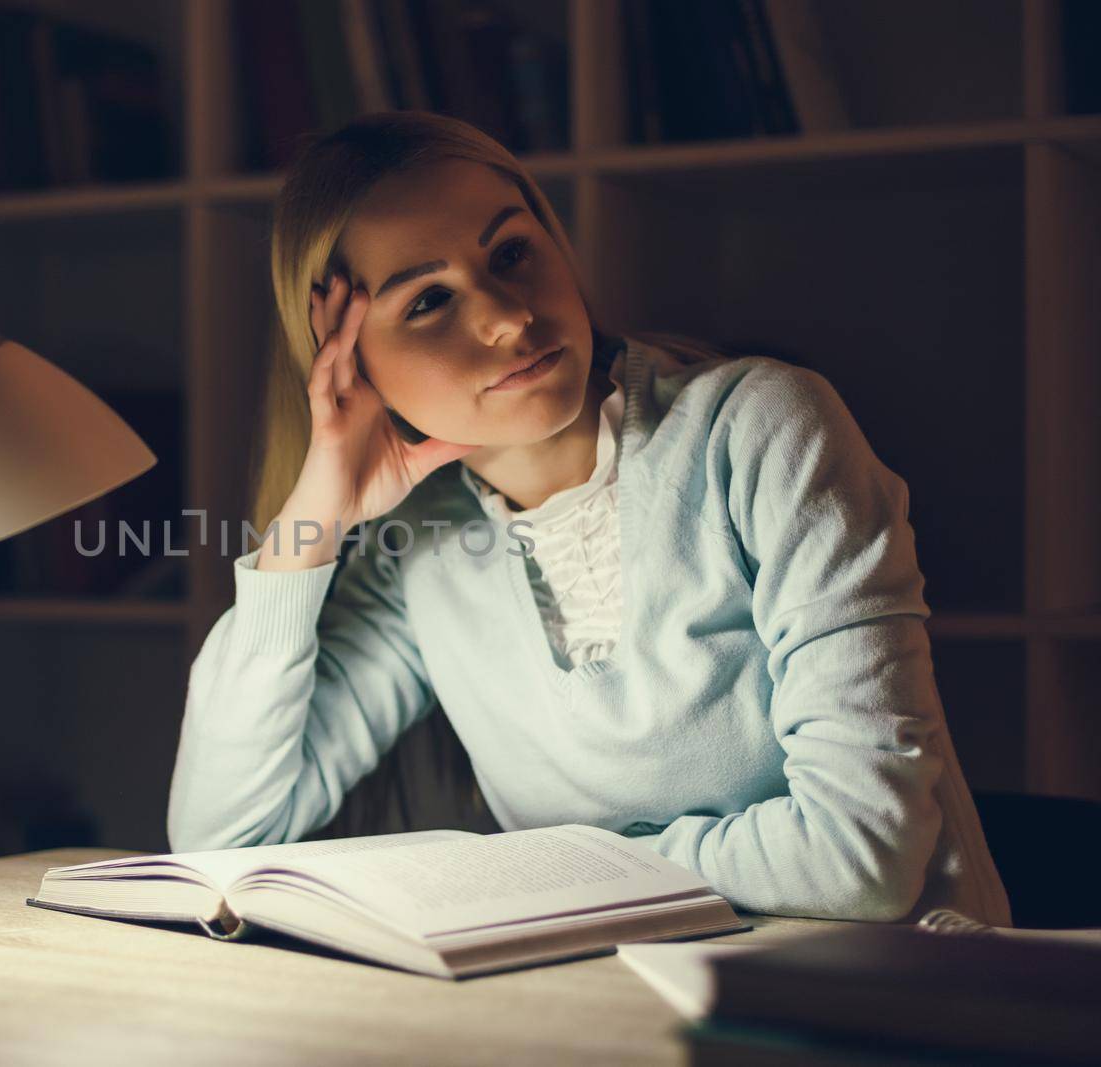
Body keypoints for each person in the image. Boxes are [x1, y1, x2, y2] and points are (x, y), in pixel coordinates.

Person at [166, 111, 1010, 925]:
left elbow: (862, 853)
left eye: (511, 252)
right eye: (426, 302)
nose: (507, 316)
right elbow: (219, 835)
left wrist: (559, 870)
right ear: (348, 362)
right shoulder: (420, 552)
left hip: (892, 1003)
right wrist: (312, 518)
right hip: (603, 1012)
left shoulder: (759, 428)